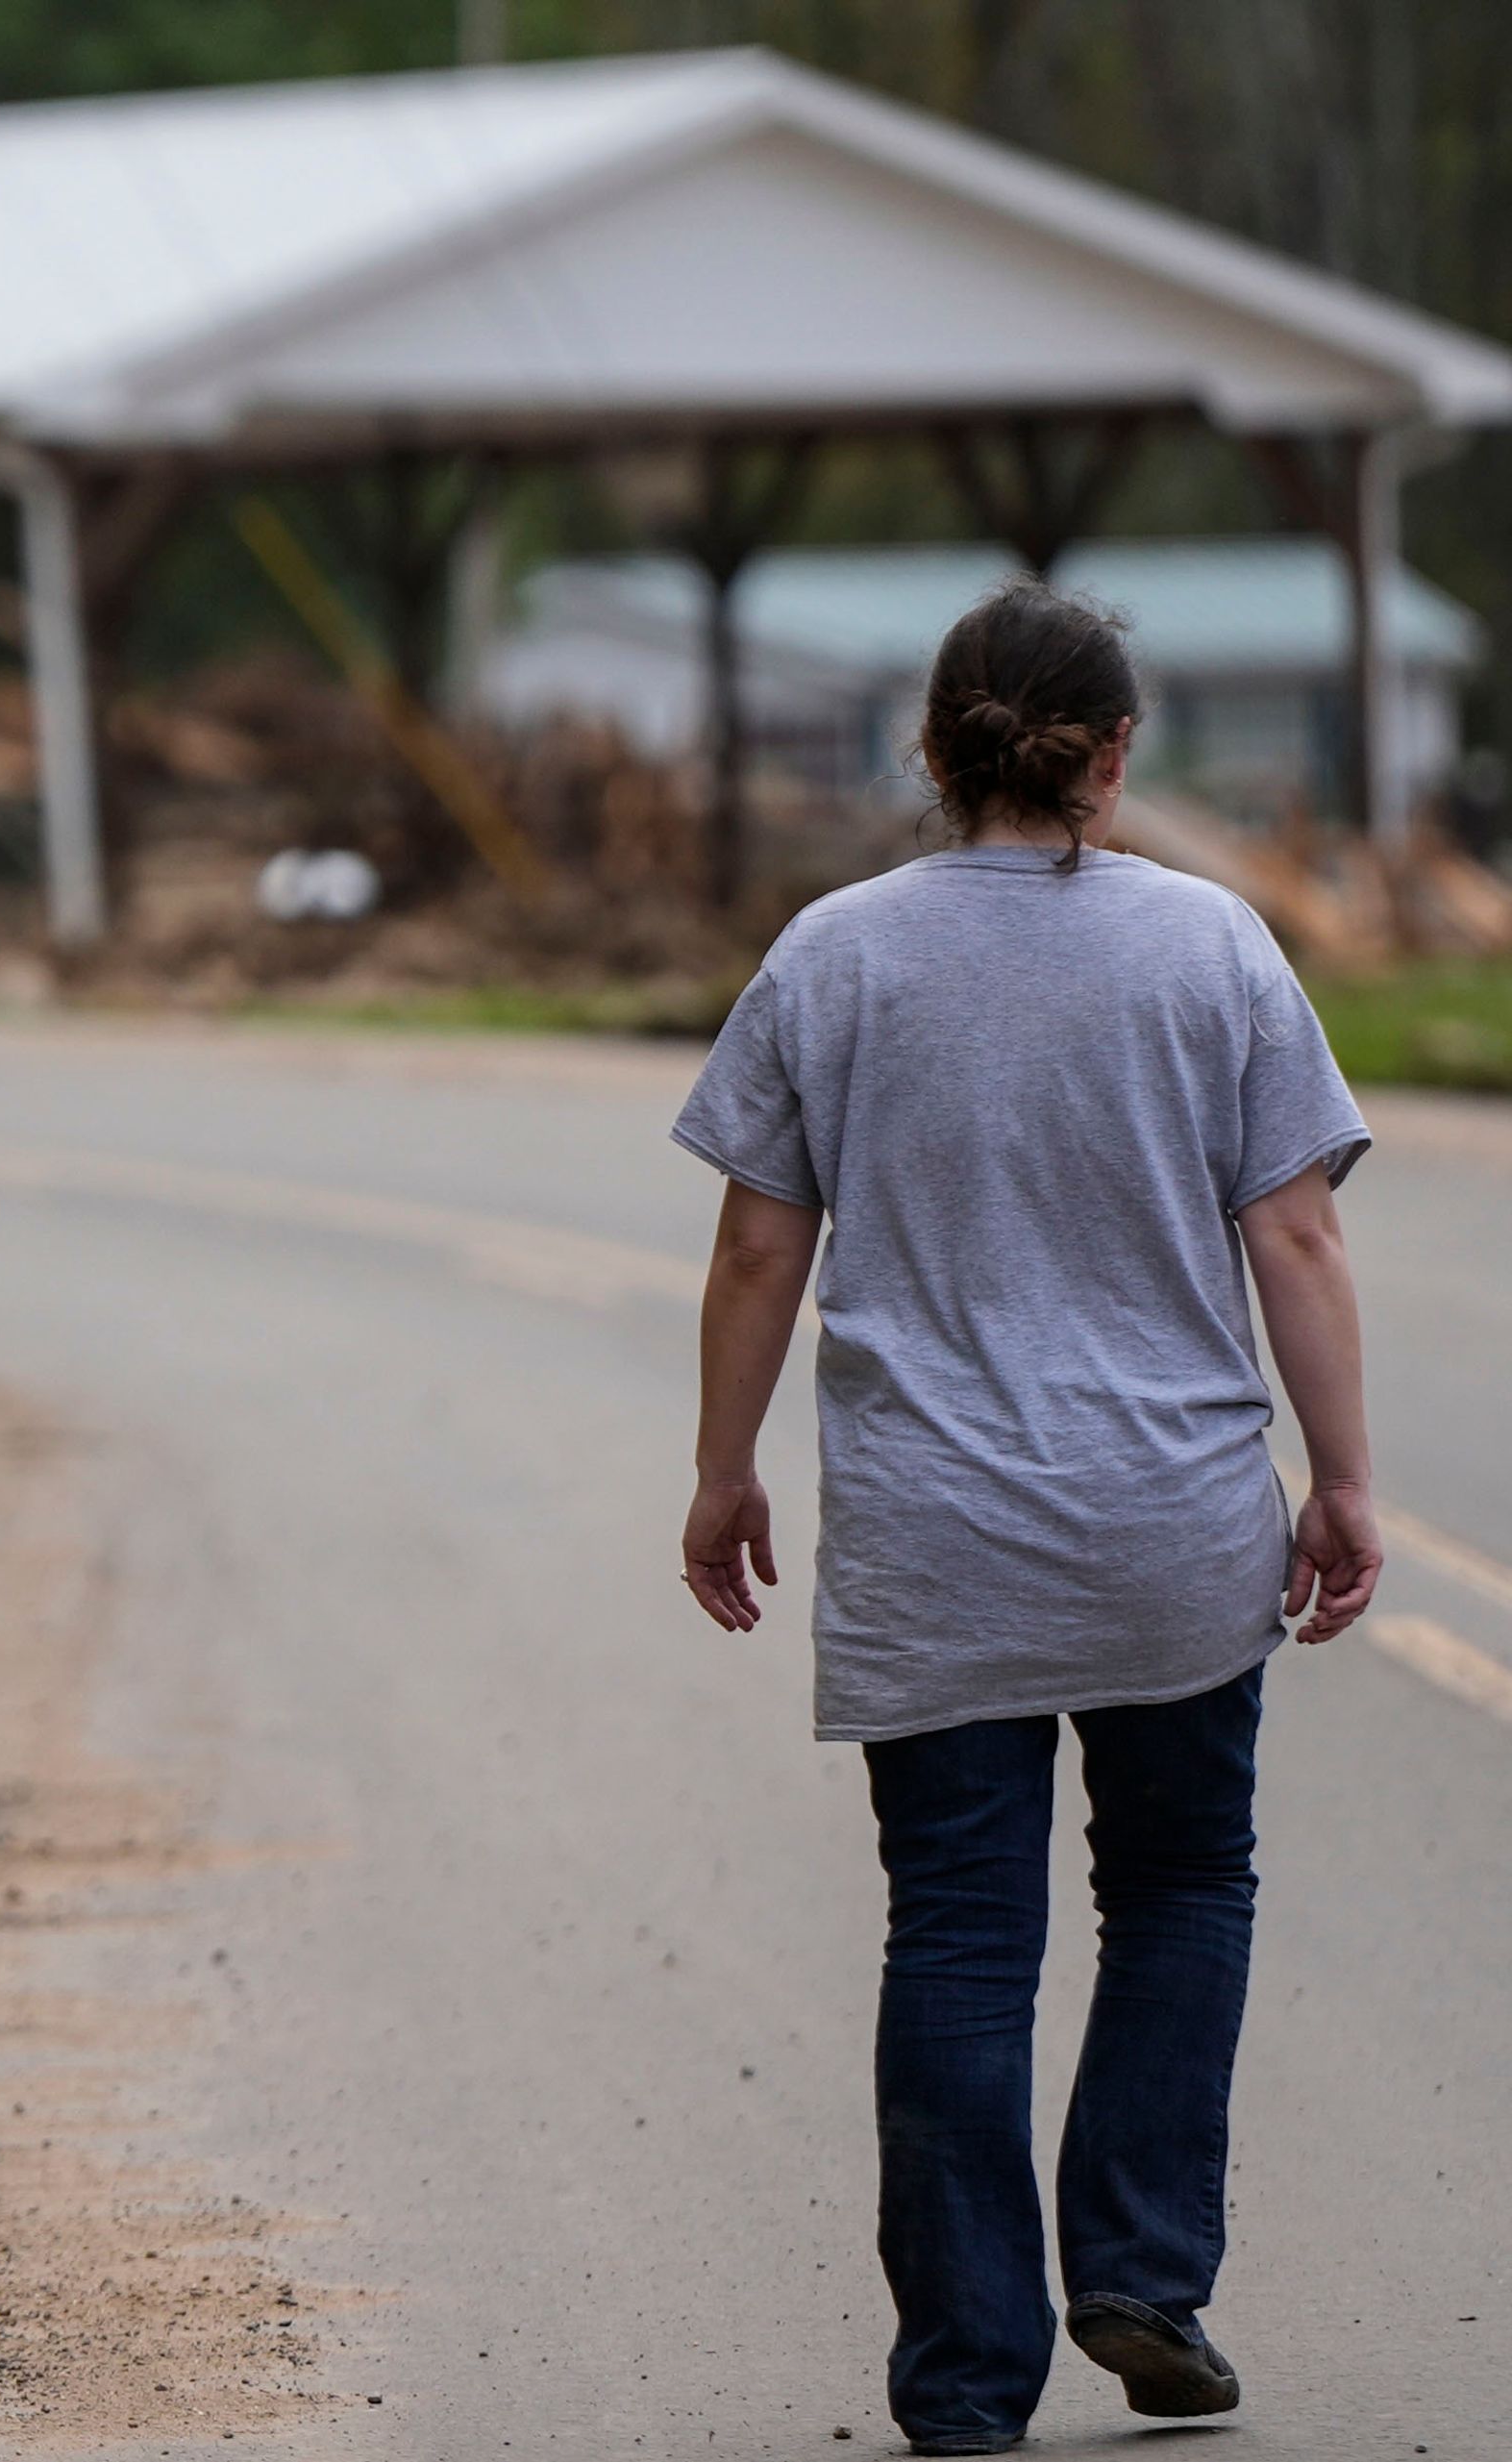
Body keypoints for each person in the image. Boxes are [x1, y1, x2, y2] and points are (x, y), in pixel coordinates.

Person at [668, 582, 1379, 2457]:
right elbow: (1296, 1231)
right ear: (1118, 752)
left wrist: (724, 1465)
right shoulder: (1216, 951)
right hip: (1172, 1528)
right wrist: (1347, 1478)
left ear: (934, 747)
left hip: (937, 1540)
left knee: (962, 1937)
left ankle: (971, 2379)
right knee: (1177, 1890)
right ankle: (1142, 2270)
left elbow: (760, 1237)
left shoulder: (835, 954)